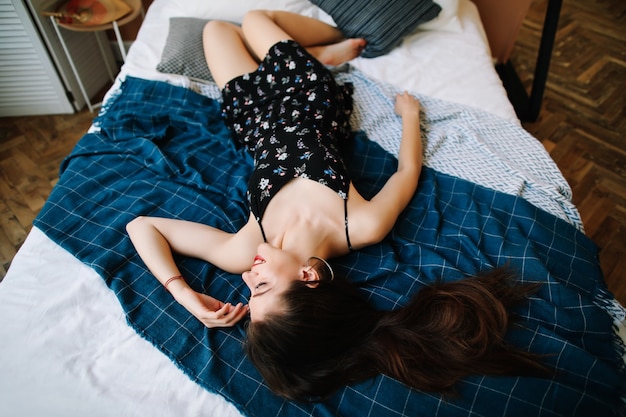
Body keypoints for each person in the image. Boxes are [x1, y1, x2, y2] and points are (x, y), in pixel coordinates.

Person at [127, 10, 547, 402]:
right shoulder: (360, 225)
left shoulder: (245, 248)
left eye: (249, 293)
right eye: (263, 286)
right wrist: (409, 117)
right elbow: (405, 174)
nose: (248, 277)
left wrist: (181, 293)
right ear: (309, 276)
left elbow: (142, 226)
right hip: (307, 96)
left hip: (254, 118)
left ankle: (324, 50)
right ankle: (328, 47)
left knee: (216, 31)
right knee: (256, 18)